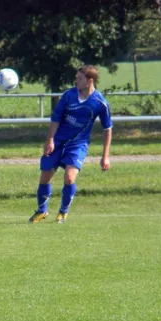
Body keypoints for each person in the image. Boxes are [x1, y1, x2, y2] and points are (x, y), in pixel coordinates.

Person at [29, 65, 112, 224]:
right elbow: (56, 118)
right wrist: (50, 139)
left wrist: (105, 156)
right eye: (76, 77)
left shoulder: (100, 103)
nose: (76, 81)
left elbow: (107, 129)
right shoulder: (68, 95)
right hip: (58, 141)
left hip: (78, 145)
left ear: (90, 81)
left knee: (69, 178)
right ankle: (41, 211)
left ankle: (62, 212)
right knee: (45, 175)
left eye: (79, 78)